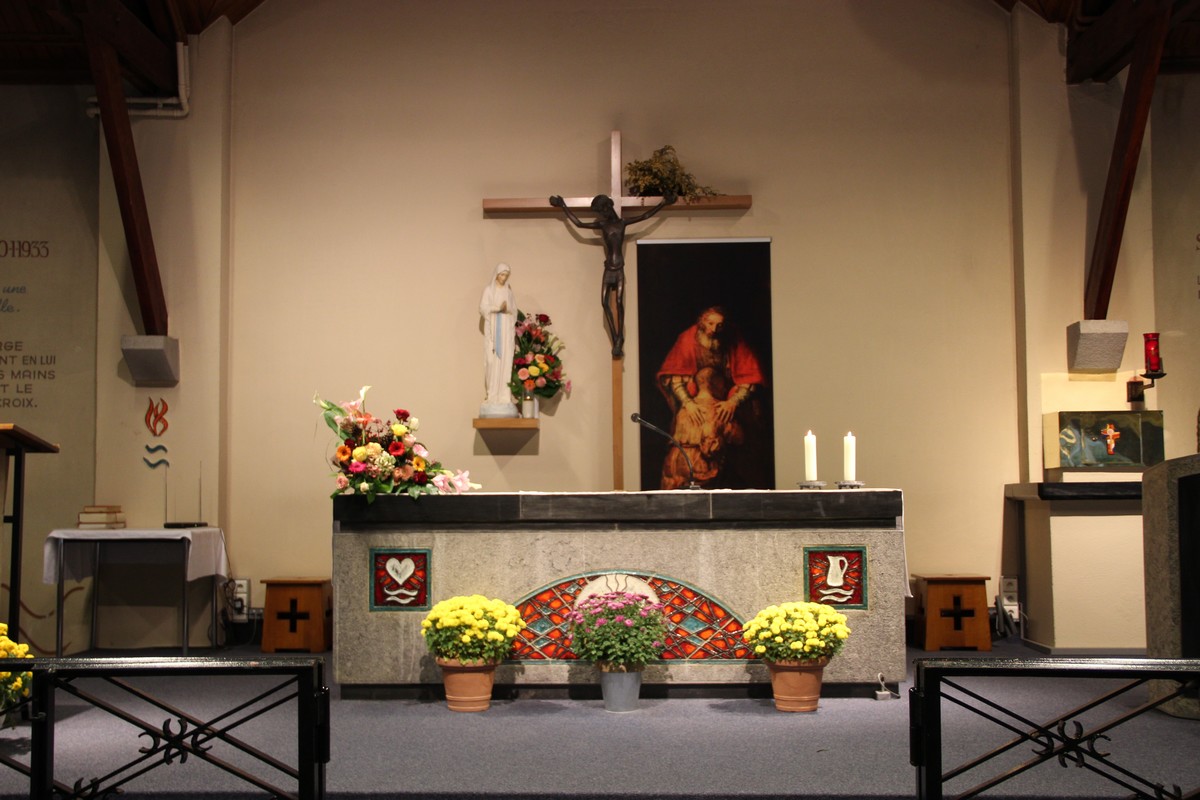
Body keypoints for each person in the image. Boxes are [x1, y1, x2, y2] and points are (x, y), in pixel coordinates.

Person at [549, 192, 675, 358]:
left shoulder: (622, 223)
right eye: (600, 212)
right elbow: (579, 224)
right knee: (604, 302)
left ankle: (619, 338)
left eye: (603, 209)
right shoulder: (603, 225)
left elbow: (645, 216)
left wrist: (663, 203)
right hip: (608, 268)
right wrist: (563, 205)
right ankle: (616, 337)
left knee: (619, 302)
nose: (603, 213)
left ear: (609, 206)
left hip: (619, 268)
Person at [656, 306, 765, 489]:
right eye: (710, 323)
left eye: (719, 325)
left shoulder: (732, 339)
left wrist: (733, 402)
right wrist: (688, 403)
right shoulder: (687, 340)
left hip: (726, 404)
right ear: (702, 323)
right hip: (693, 410)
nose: (714, 329)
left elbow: (750, 376)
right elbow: (675, 377)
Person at [479, 263, 518, 417]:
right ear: (496, 274)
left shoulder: (508, 292)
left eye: (506, 276)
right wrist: (497, 308)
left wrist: (507, 309)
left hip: (506, 332)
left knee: (505, 363)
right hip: (494, 333)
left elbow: (514, 310)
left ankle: (503, 395)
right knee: (492, 362)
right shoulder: (489, 290)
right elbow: (483, 308)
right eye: (502, 275)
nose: (503, 278)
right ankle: (492, 395)